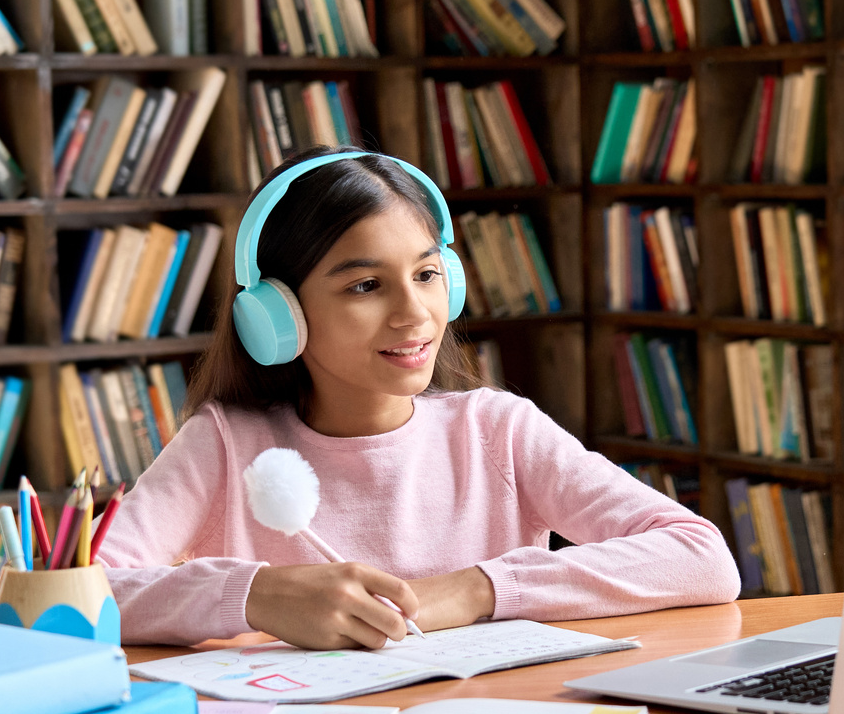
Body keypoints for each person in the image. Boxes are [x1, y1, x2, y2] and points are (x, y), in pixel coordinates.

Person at [97, 146, 740, 648]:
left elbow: (702, 558)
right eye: (366, 285)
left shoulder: (497, 430)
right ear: (279, 314)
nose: (415, 314)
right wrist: (255, 596)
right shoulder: (223, 444)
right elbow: (80, 599)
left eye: (427, 275)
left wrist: (478, 590)